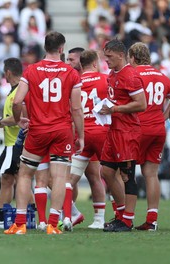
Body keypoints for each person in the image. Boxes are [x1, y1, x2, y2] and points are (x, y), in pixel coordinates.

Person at [4, 31, 84, 235]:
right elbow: (76, 109)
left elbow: (17, 100)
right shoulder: (71, 73)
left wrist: (18, 119)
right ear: (61, 48)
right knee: (59, 177)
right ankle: (52, 224)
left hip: (38, 129)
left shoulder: (31, 71)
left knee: (25, 174)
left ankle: (20, 223)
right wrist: (81, 136)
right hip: (61, 130)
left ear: (45, 47)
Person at [128, 42, 170, 231]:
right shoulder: (161, 75)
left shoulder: (133, 74)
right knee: (151, 174)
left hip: (138, 128)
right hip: (158, 129)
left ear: (133, 58)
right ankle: (152, 220)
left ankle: (125, 217)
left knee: (124, 172)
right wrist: (163, 116)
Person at [98, 39, 146, 232]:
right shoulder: (112, 74)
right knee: (106, 172)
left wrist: (115, 109)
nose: (106, 60)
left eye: (109, 57)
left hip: (127, 132)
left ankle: (127, 220)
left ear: (120, 55)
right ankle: (120, 214)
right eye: (104, 56)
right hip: (113, 130)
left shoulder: (131, 76)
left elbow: (141, 104)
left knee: (127, 176)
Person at [70, 49, 109, 229]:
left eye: (72, 60)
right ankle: (115, 217)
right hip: (101, 133)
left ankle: (68, 214)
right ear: (95, 63)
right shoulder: (105, 79)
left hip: (81, 135)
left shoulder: (74, 82)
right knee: (111, 176)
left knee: (70, 180)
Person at [0, 57, 22, 228]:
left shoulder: (18, 93)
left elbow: (18, 119)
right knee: (18, 178)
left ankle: (1, 217)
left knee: (8, 179)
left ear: (8, 72)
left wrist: (0, 121)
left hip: (14, 143)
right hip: (14, 142)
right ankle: (30, 213)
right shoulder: (15, 91)